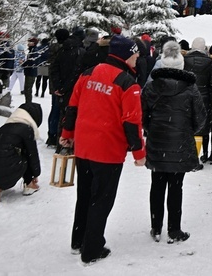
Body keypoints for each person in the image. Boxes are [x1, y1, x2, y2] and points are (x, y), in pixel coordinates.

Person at [59, 35, 146, 265]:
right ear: (126, 55)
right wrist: (139, 153)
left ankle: (78, 240)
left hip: (84, 147)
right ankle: (92, 248)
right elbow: (132, 122)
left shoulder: (88, 74)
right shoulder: (128, 83)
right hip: (108, 150)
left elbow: (72, 108)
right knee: (102, 200)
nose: (137, 59)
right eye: (135, 55)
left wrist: (67, 135)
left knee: (85, 195)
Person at [141, 41, 206, 244]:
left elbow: (142, 115)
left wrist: (152, 130)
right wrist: (186, 131)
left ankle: (156, 226)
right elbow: (201, 117)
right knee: (176, 187)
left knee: (157, 185)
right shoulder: (191, 88)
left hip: (157, 141)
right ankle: (174, 229)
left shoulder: (152, 86)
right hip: (180, 143)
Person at [0, 102, 43, 205]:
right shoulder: (27, 129)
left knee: (9, 156)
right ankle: (29, 185)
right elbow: (32, 155)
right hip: (4, 169)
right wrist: (35, 174)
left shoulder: (5, 127)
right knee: (25, 156)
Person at [183, 37, 212, 167]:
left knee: (188, 124)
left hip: (187, 95)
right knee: (201, 127)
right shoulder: (209, 62)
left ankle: (186, 155)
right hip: (204, 97)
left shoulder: (185, 60)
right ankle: (196, 158)